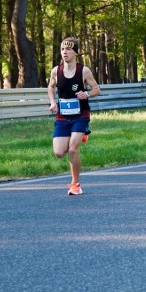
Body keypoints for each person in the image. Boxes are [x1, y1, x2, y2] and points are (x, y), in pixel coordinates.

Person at [47, 37, 101, 196]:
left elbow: (97, 89)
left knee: (72, 150)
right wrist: (52, 102)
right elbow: (50, 87)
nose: (65, 52)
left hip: (80, 116)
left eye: (69, 49)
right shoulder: (56, 71)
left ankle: (75, 184)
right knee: (58, 153)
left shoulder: (83, 71)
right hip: (63, 117)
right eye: (63, 49)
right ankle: (80, 136)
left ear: (75, 52)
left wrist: (87, 93)